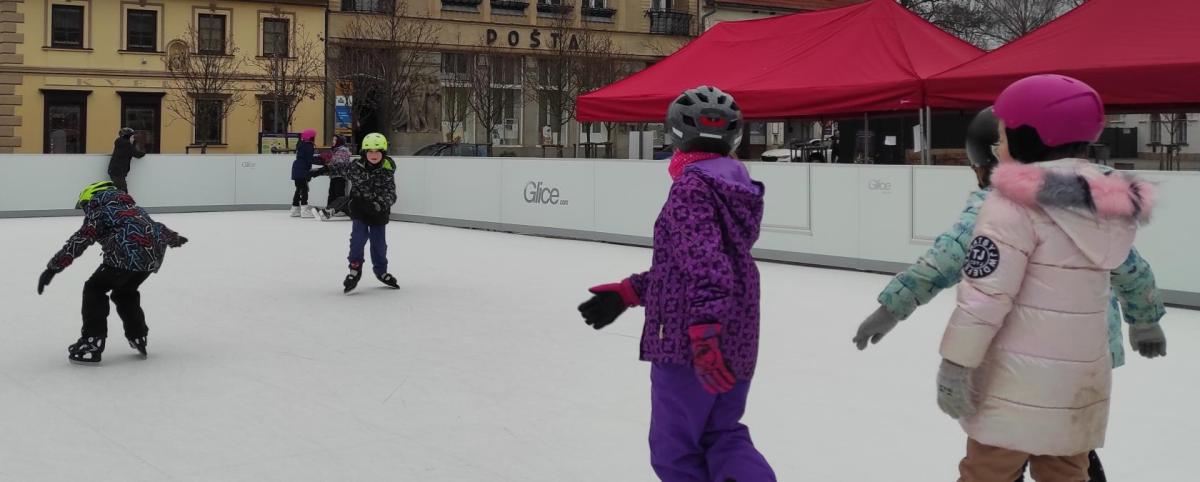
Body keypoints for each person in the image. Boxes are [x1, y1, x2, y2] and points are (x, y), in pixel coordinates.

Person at [853, 106, 1168, 482]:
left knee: (993, 460)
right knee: (1064, 456)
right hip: (1081, 365)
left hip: (1012, 366)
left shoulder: (997, 206)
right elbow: (1131, 269)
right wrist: (1145, 320)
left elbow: (943, 262)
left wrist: (892, 307)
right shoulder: (1093, 205)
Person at [931, 75, 1160, 482]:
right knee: (1066, 473)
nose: (998, 148)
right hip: (1078, 385)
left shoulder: (1011, 204)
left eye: (1003, 136)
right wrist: (1145, 319)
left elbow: (985, 296)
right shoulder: (1108, 207)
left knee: (987, 473)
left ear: (1030, 138)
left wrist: (957, 361)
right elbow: (1132, 270)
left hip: (1012, 386)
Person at [577, 86, 776, 482]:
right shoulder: (736, 185)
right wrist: (629, 292)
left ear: (676, 134)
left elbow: (705, 265)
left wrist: (704, 334)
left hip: (689, 343)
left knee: (675, 452)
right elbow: (690, 265)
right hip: (738, 333)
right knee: (722, 435)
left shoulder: (691, 187)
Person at [37, 181, 188, 365]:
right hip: (151, 259)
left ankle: (92, 343)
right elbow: (156, 227)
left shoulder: (99, 209)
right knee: (125, 292)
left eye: (84, 206)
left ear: (90, 198)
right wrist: (174, 238)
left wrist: (53, 268)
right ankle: (138, 335)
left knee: (94, 289)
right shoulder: (133, 209)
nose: (85, 211)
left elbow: (81, 238)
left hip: (124, 256)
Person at [309, 132, 400, 293]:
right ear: (364, 153)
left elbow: (391, 194)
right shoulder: (356, 167)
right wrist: (322, 170)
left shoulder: (387, 171)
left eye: (377, 152)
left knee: (379, 244)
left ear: (383, 153)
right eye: (370, 151)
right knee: (357, 240)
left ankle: (381, 271)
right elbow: (340, 169)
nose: (373, 155)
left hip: (378, 212)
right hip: (360, 209)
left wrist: (378, 205)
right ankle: (355, 269)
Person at [315, 135, 353, 221]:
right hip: (334, 175)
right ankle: (328, 209)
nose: (333, 141)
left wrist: (327, 166)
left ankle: (339, 210)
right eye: (333, 139)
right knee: (332, 193)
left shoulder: (342, 150)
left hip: (340, 175)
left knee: (338, 193)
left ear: (339, 141)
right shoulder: (335, 150)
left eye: (335, 140)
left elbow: (339, 163)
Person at [290, 128, 322, 218]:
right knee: (304, 189)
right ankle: (304, 210)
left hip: (296, 168)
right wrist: (322, 160)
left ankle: (294, 209)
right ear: (310, 137)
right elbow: (309, 159)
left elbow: (306, 157)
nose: (314, 138)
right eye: (313, 137)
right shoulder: (308, 146)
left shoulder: (301, 144)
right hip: (302, 169)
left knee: (298, 189)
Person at [108, 127, 145, 194]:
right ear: (129, 137)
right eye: (132, 137)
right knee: (123, 190)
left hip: (115, 171)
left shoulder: (120, 142)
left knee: (120, 190)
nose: (133, 139)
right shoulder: (126, 145)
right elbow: (138, 154)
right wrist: (144, 150)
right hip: (118, 172)